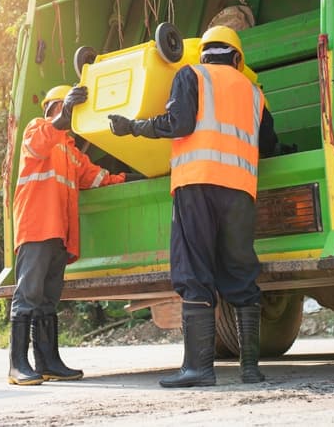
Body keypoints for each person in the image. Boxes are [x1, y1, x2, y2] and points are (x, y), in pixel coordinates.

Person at [108, 25, 279, 388]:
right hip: (239, 190)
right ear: (237, 58)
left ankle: (199, 369)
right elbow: (269, 144)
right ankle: (250, 368)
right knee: (240, 270)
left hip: (196, 184)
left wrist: (133, 127)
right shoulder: (254, 93)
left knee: (194, 269)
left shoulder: (192, 75)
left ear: (203, 54)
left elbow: (178, 124)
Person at [8, 83, 130, 386]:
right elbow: (39, 145)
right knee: (28, 296)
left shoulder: (73, 154)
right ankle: (17, 365)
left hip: (58, 235)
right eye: (67, 108)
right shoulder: (36, 129)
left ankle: (48, 362)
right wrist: (63, 116)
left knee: (47, 300)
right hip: (36, 229)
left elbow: (101, 178)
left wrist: (136, 175)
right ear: (56, 108)